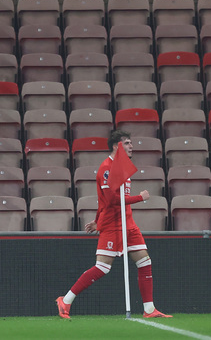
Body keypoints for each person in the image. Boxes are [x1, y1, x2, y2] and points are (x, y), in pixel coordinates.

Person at [56, 130, 171, 319]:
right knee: (102, 267)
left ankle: (149, 309)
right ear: (116, 146)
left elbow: (103, 202)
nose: (131, 146)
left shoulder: (123, 167)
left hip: (128, 223)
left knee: (144, 261)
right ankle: (66, 300)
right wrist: (139, 198)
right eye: (127, 143)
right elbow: (110, 199)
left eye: (131, 143)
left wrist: (96, 219)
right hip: (112, 225)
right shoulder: (107, 169)